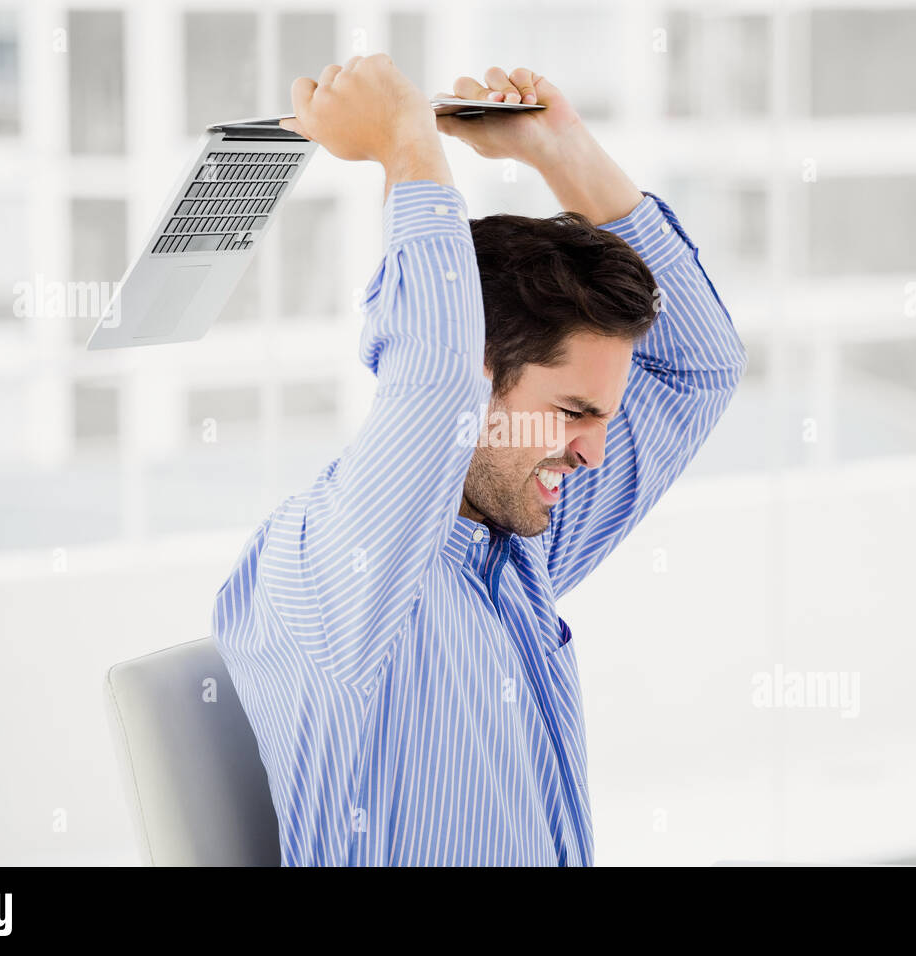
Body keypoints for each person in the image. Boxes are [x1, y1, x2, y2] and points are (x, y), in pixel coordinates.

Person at [212, 55, 747, 865]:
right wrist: (406, 146)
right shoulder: (342, 566)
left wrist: (559, 152)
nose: (596, 453)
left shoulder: (517, 547)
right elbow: (432, 382)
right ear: (480, 373)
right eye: (573, 412)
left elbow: (698, 368)